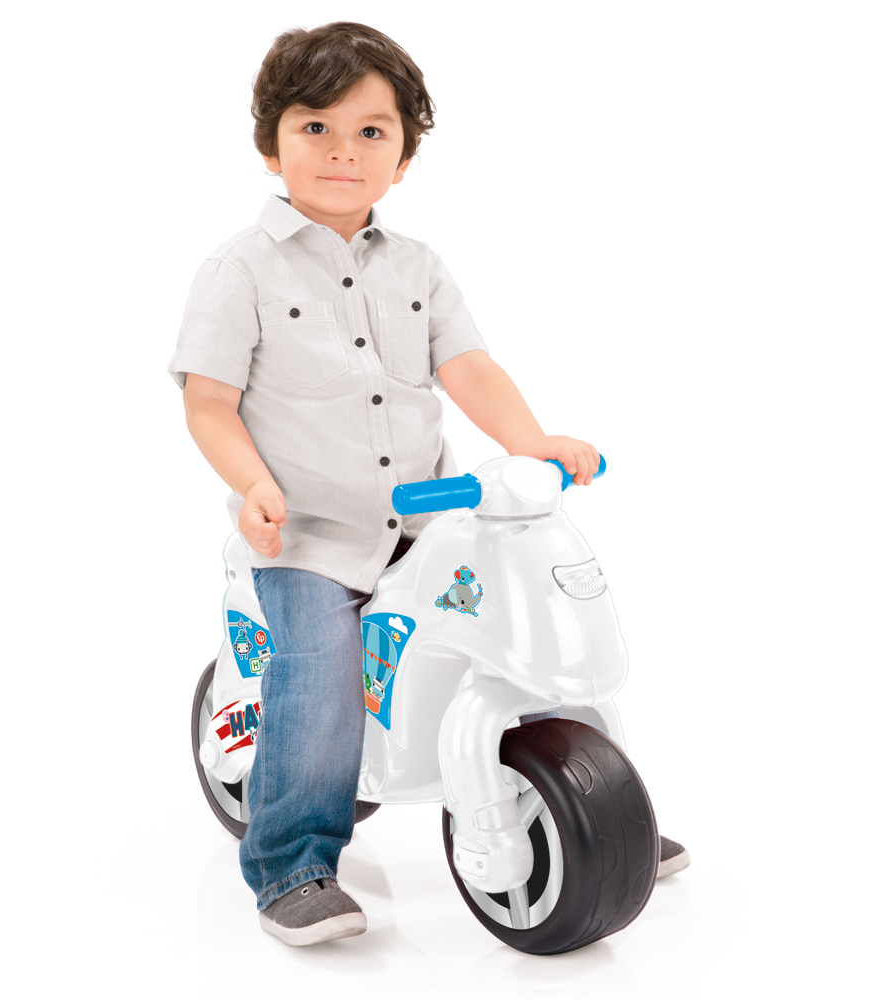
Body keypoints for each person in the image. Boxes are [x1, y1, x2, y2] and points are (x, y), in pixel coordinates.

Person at [170, 21, 688, 948]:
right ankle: (291, 864)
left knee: (515, 625)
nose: (343, 150)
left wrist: (530, 442)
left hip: (427, 521)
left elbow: (470, 368)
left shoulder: (418, 268)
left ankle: (597, 804)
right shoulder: (238, 269)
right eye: (315, 127)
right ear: (270, 146)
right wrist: (252, 485)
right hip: (309, 537)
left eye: (371, 131)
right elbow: (209, 402)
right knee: (321, 673)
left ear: (403, 158)